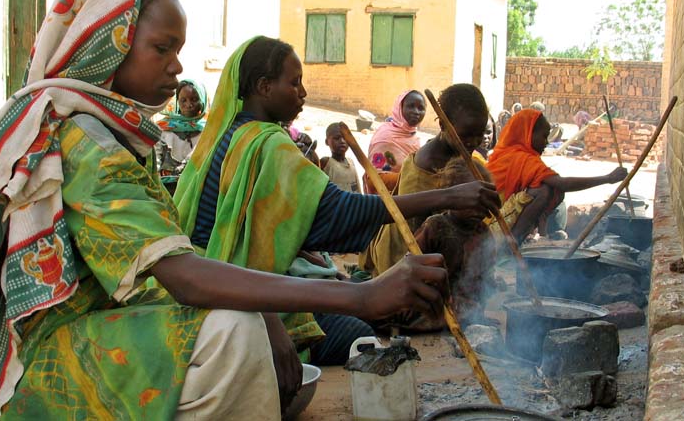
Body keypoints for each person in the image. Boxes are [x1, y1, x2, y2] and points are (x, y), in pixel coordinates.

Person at [0, 0, 455, 419]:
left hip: (100, 324)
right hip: (53, 356)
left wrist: (271, 309)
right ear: (109, 47)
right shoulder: (86, 143)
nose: (177, 66)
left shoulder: (110, 134)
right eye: (161, 48)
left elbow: (161, 267)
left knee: (254, 322)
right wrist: (363, 295)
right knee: (233, 335)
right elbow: (186, 276)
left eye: (179, 49)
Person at [173, 37, 500, 367]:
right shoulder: (267, 145)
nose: (303, 93)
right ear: (264, 87)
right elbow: (343, 213)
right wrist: (448, 197)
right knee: (355, 334)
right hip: (227, 287)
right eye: (294, 83)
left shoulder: (229, 134)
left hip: (211, 276)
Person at [360, 83, 493, 276]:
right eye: (465, 136)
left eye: (479, 135)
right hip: (401, 263)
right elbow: (416, 243)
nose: (473, 143)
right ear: (442, 125)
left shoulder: (460, 157)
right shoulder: (423, 170)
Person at [487, 109, 627, 244]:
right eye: (544, 136)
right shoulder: (521, 157)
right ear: (528, 134)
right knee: (544, 190)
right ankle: (511, 244)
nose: (546, 142)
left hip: (497, 220)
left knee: (547, 187)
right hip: (490, 225)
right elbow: (562, 184)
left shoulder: (512, 155)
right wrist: (608, 178)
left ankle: (523, 238)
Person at [404, 157, 496, 331]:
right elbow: (410, 268)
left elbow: (486, 275)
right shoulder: (435, 226)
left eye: (483, 203)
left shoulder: (483, 232)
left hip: (468, 305)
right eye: (473, 203)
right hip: (434, 303)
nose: (479, 210)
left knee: (471, 313)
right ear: (452, 198)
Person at [365, 90, 426, 193]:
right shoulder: (385, 137)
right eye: (411, 106)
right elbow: (374, 179)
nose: (416, 112)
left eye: (421, 108)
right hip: (386, 203)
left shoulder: (414, 137)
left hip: (411, 200)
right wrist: (413, 179)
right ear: (399, 108)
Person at [155, 79, 208, 178]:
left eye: (194, 99)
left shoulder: (208, 130)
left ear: (202, 100)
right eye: (183, 100)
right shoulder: (165, 128)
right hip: (167, 186)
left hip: (196, 185)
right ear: (177, 101)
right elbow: (156, 160)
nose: (189, 105)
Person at [320, 122, 361, 193]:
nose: (342, 141)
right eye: (337, 138)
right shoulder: (326, 163)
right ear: (327, 142)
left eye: (345, 138)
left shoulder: (351, 162)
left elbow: (357, 189)